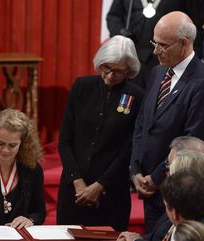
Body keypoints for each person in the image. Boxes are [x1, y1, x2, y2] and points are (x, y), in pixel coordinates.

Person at [130, 11, 204, 232]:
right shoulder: (157, 72)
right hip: (147, 186)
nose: (155, 50)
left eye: (162, 45)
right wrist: (135, 170)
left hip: (178, 191)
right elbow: (142, 123)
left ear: (184, 43)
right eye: (154, 42)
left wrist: (156, 177)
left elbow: (192, 142)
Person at [57, 35, 143, 230]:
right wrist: (79, 184)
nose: (111, 76)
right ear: (100, 63)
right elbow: (65, 139)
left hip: (110, 192)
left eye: (119, 71)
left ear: (129, 70)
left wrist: (99, 186)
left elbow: (128, 148)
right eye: (107, 68)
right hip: (74, 189)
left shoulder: (136, 96)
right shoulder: (82, 87)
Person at [119, 152, 204, 241]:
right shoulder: (197, 212)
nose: (166, 173)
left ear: (174, 213)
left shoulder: (194, 235)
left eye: (169, 167)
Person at [106, 0, 204, 88]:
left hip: (167, 60)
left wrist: (190, 60)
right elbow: (113, 16)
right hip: (132, 56)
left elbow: (195, 25)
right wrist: (120, 32)